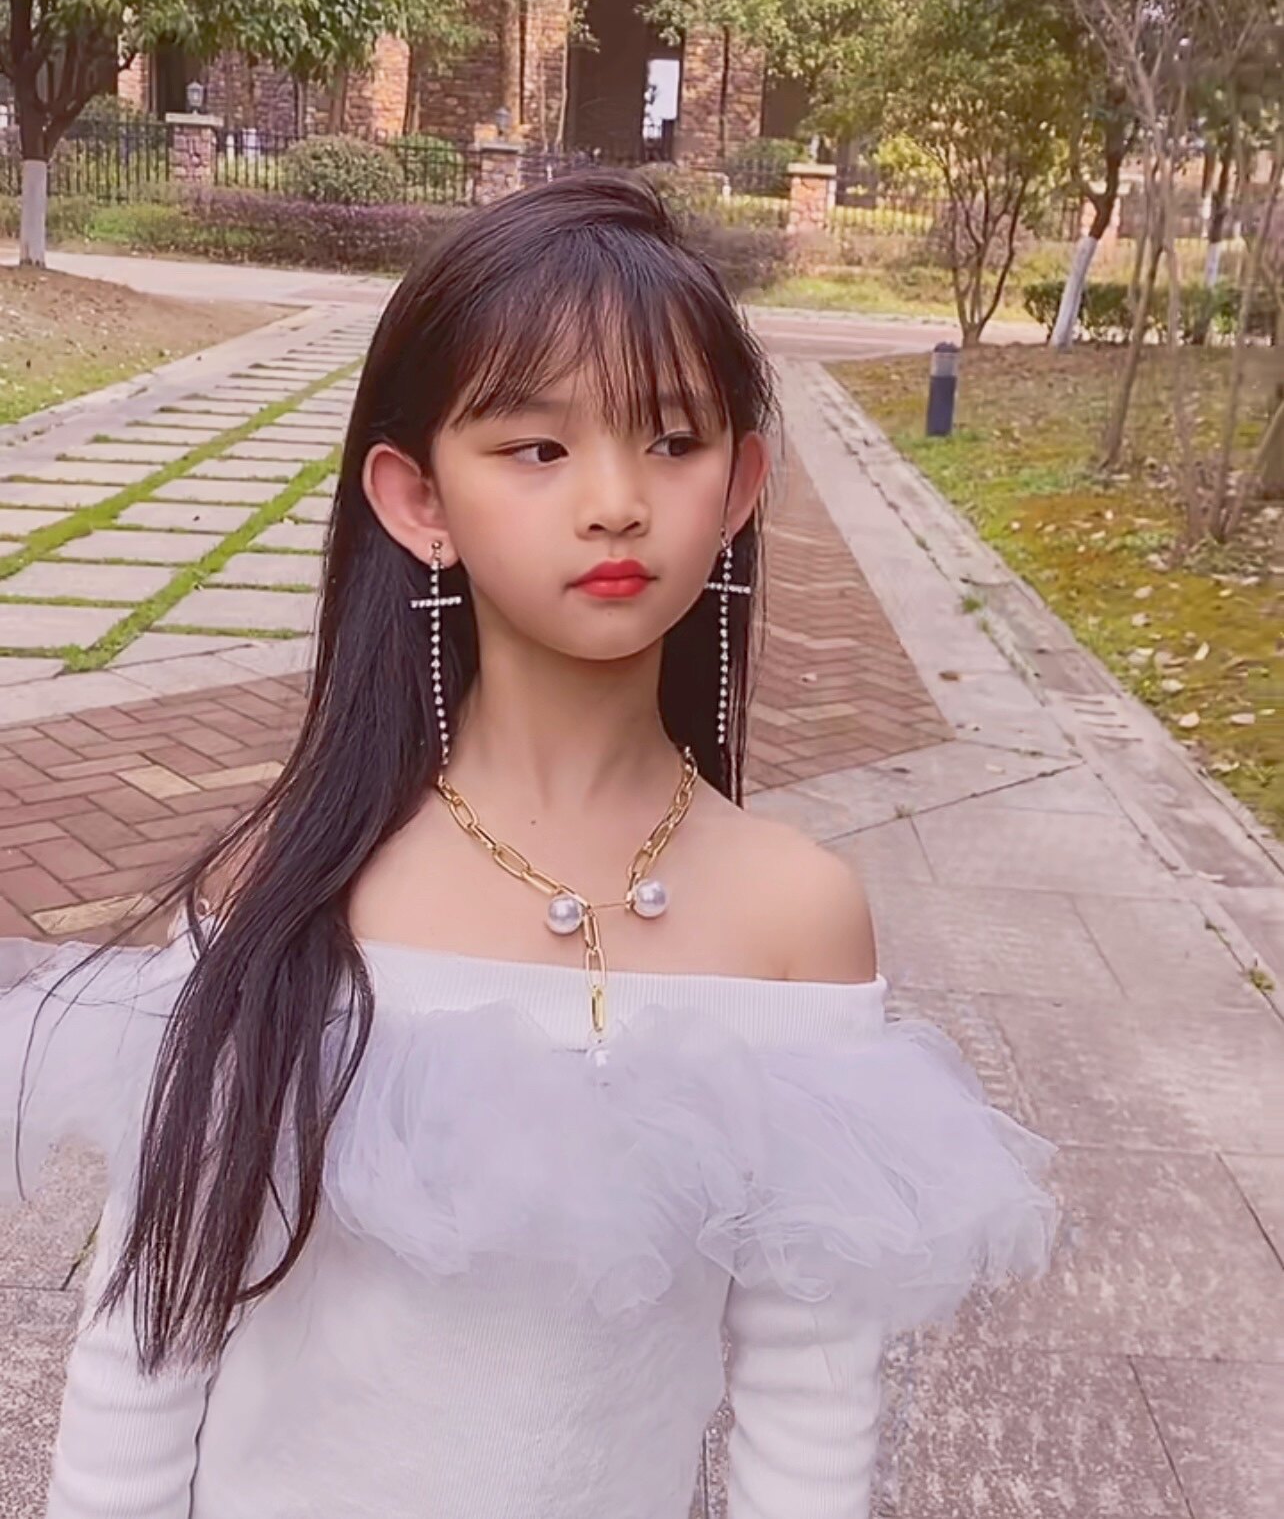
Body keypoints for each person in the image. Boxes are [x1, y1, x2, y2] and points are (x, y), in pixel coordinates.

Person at [0, 173, 1055, 1519]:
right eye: (537, 447)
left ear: (741, 484)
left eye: (671, 440)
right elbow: (150, 1334)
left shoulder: (798, 917)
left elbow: (811, 1399)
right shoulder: (297, 884)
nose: (615, 501)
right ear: (416, 499)